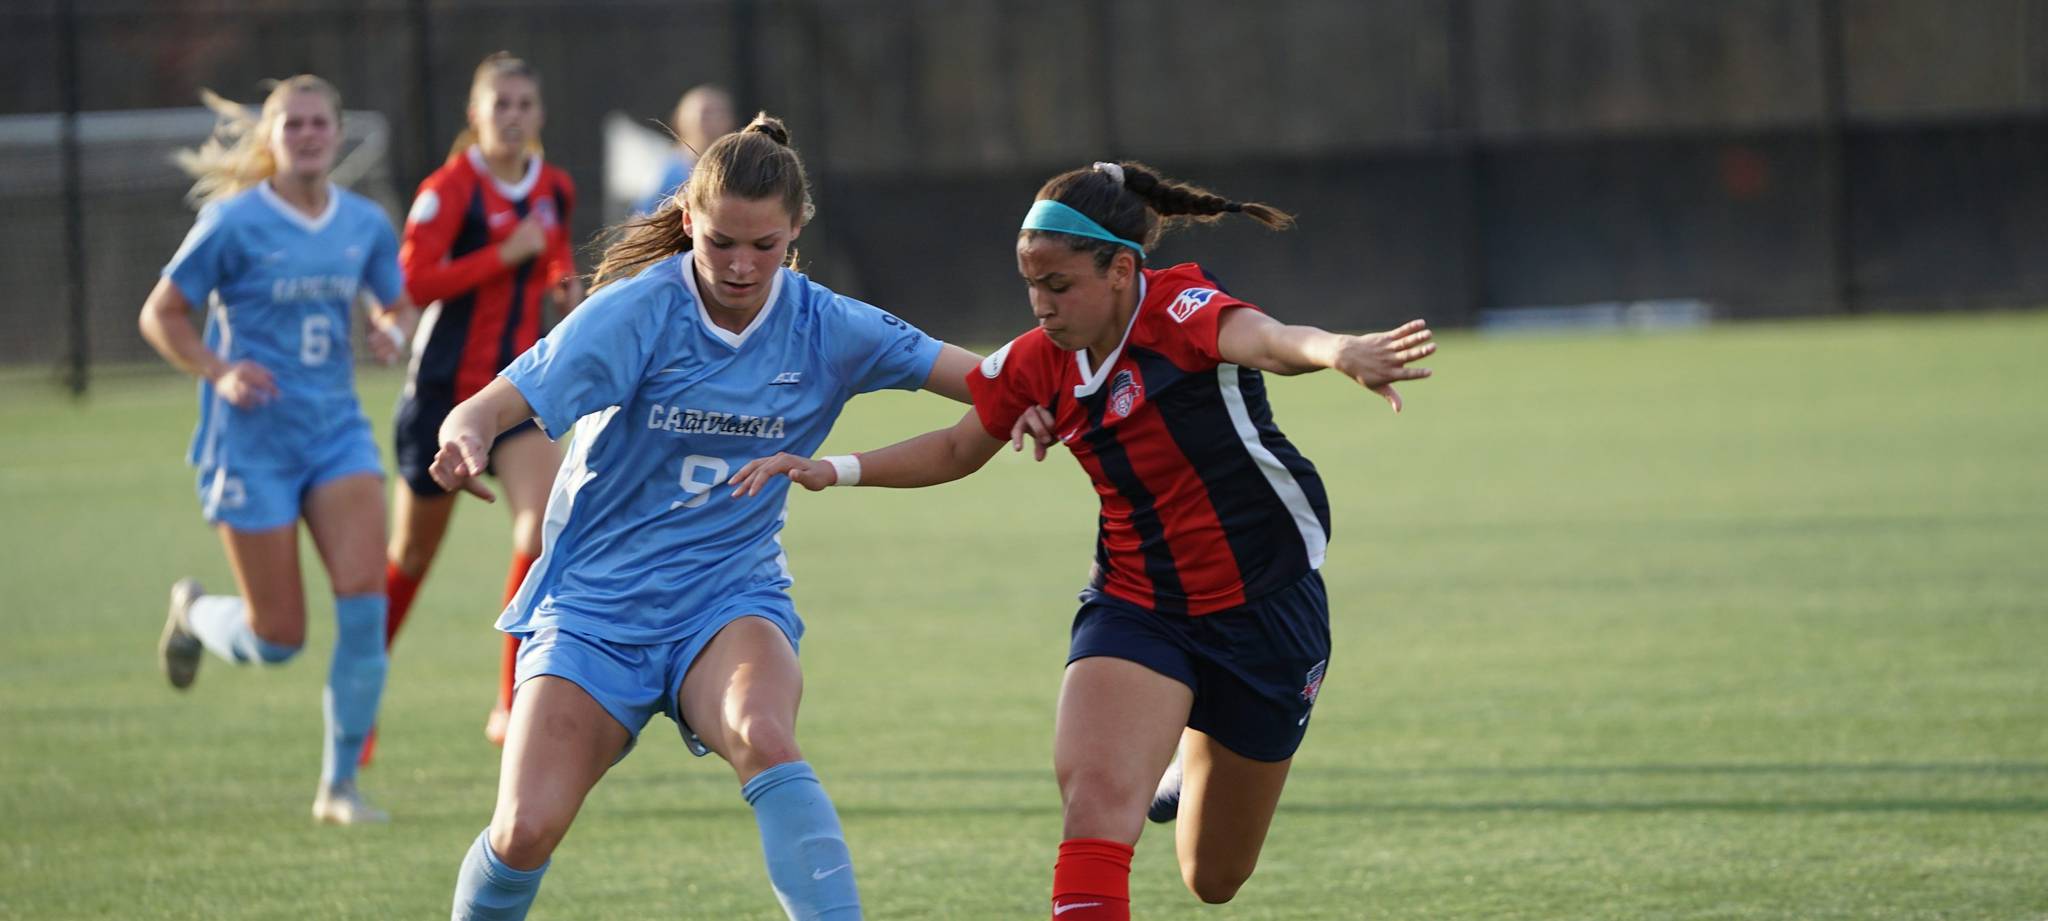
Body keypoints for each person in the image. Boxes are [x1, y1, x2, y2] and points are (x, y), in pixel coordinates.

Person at [728, 160, 1437, 920]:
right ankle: (1154, 739)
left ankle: (1182, 749)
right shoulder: (1038, 361)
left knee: (1213, 877)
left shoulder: (1181, 309)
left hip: (1266, 607)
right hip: (1138, 604)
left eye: (1059, 285)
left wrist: (1338, 351)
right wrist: (833, 469)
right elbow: (958, 447)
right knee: (1094, 806)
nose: (1041, 305)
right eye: (1031, 284)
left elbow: (1268, 341)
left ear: (1122, 270)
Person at [436, 113, 1042, 921]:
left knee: (763, 731)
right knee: (523, 828)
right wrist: (465, 434)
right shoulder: (636, 311)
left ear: (797, 229)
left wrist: (1041, 396)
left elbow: (989, 380)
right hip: (595, 609)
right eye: (721, 242)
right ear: (687, 218)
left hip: (728, 598)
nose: (742, 265)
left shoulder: (828, 325)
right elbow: (492, 402)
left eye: (765, 245)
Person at [141, 75, 417, 825]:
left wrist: (393, 329)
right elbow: (162, 313)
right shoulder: (233, 222)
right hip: (252, 443)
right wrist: (219, 369)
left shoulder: (363, 222)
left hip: (336, 436)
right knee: (278, 638)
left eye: (318, 122)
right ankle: (194, 613)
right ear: (270, 137)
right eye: (292, 124)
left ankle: (339, 788)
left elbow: (397, 303)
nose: (307, 135)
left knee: (365, 607)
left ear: (337, 133)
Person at [378, 51, 582, 759]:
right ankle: (360, 693)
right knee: (411, 556)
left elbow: (554, 254)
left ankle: (509, 702)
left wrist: (563, 284)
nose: (513, 117)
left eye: (525, 104)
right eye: (501, 105)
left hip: (516, 394)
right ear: (476, 114)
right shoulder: (449, 189)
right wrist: (503, 254)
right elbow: (411, 282)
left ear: (540, 113)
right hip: (442, 398)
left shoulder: (554, 186)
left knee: (546, 523)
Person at [634, 83, 736, 216]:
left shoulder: (737, 167)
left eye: (720, 113)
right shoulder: (664, 173)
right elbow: (642, 219)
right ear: (681, 119)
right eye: (705, 113)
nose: (713, 120)